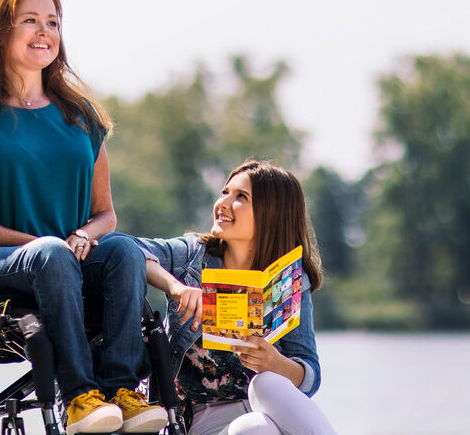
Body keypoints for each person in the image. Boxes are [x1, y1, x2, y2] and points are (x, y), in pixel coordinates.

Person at [0, 0, 166, 435]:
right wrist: (42, 244)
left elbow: (106, 214)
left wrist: (84, 236)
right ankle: (78, 396)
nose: (45, 32)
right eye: (30, 21)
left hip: (69, 254)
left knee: (120, 249)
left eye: (53, 23)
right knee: (51, 255)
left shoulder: (81, 116)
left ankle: (121, 390)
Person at [125, 160, 337, 435]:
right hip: (203, 419)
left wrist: (274, 363)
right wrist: (175, 287)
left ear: (270, 214)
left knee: (267, 384)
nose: (222, 203)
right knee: (252, 430)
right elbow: (126, 250)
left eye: (241, 197)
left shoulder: (290, 280)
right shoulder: (193, 257)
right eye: (224, 192)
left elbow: (309, 375)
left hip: (269, 407)